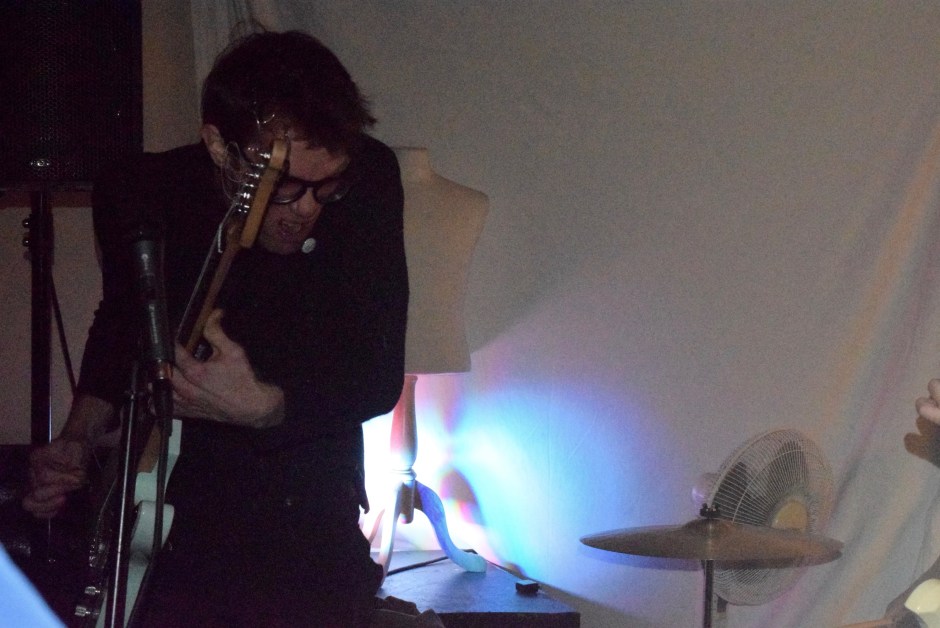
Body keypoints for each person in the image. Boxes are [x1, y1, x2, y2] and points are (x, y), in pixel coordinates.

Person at [23, 30, 413, 627]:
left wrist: (268, 408)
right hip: (171, 523)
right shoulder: (141, 188)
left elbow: (375, 372)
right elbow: (124, 324)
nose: (308, 208)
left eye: (326, 185)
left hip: (305, 520)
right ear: (218, 145)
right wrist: (76, 438)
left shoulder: (371, 178)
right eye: (286, 184)